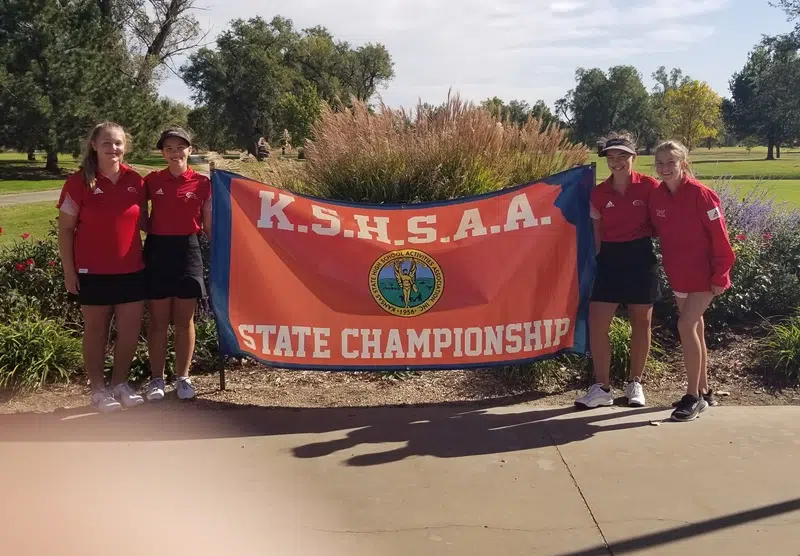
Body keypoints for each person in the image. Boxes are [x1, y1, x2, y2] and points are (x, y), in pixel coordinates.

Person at [57, 122, 148, 412]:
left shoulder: (136, 180)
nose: (114, 148)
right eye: (107, 143)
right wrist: (69, 272)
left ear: (126, 146)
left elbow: (145, 222)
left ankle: (119, 383)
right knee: (96, 332)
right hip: (92, 273)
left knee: (130, 331)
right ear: (94, 145)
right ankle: (97, 389)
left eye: (119, 143)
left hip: (132, 270)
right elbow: (66, 230)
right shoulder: (78, 183)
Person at [650, 140, 736, 422]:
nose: (664, 168)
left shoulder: (702, 194)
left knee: (685, 324)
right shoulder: (658, 196)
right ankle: (705, 390)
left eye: (670, 163)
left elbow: (721, 238)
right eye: (660, 163)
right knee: (695, 327)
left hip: (705, 275)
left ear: (683, 164)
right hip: (679, 273)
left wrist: (721, 273)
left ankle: (693, 397)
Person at [575, 132, 661, 410]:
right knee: (598, 324)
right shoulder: (599, 193)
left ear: (633, 157)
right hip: (610, 259)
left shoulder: (650, 187)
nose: (616, 162)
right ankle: (601, 388)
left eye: (622, 156)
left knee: (641, 323)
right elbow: (598, 233)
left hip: (641, 257)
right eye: (611, 157)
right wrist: (601, 258)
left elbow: (664, 220)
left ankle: (635, 383)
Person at [143, 127, 211, 401]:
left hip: (188, 250)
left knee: (184, 321)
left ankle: (183, 377)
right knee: (158, 322)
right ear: (162, 152)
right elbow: (137, 214)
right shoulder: (151, 181)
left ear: (189, 150)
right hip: (158, 249)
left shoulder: (202, 183)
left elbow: (209, 223)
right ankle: (157, 378)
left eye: (180, 147)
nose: (174, 153)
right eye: (168, 148)